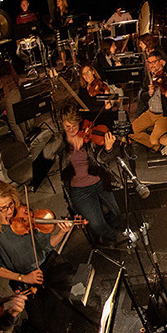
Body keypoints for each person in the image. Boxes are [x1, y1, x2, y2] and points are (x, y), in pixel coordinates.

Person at [0, 181, 124, 333]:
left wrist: (62, 231)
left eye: (10, 204)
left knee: (79, 294)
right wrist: (23, 277)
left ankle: (105, 331)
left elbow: (47, 244)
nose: (9, 211)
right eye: (2, 208)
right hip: (25, 278)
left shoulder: (24, 211)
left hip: (48, 264)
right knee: (40, 321)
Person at [51, 104, 125, 245]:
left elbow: (101, 160)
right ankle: (112, 235)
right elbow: (48, 153)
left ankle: (109, 231)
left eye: (75, 126)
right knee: (97, 224)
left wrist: (108, 149)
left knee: (118, 213)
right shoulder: (59, 141)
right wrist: (66, 140)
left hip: (99, 182)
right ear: (62, 124)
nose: (72, 130)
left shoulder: (87, 136)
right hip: (79, 190)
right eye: (68, 127)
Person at [130, 49, 167, 152]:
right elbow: (142, 97)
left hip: (164, 115)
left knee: (154, 140)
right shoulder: (149, 77)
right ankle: (159, 147)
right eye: (149, 62)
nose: (151, 65)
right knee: (130, 131)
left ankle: (156, 144)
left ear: (161, 62)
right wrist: (149, 93)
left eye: (154, 62)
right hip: (150, 113)